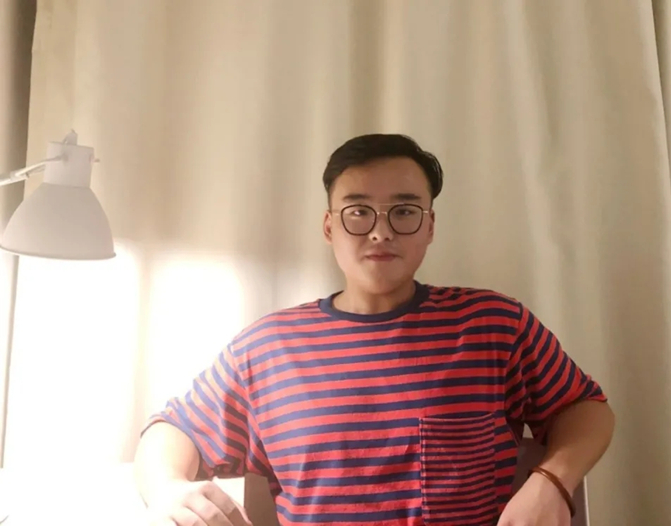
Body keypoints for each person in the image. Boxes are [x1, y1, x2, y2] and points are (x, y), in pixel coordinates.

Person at [134, 134, 615, 526]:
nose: (381, 232)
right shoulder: (269, 348)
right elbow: (173, 430)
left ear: (430, 227)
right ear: (330, 227)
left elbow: (585, 407)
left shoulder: (492, 324)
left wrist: (552, 482)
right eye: (358, 212)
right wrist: (167, 489)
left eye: (404, 212)